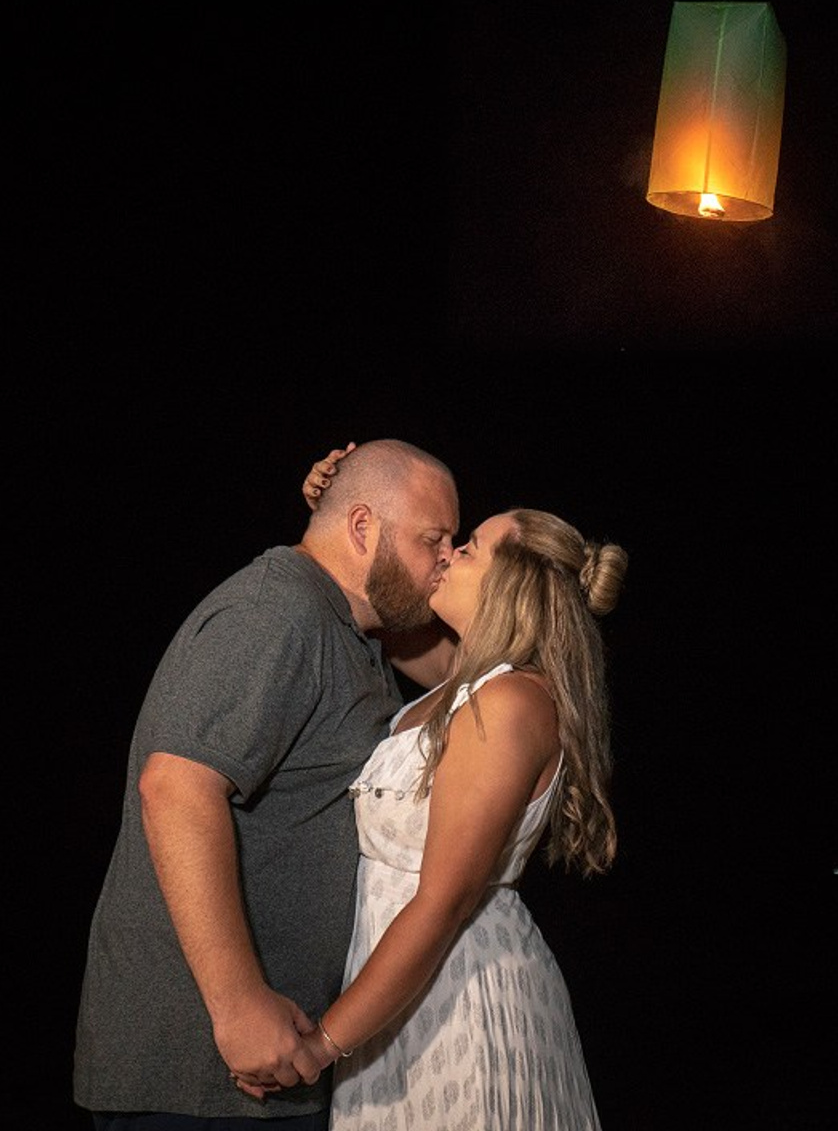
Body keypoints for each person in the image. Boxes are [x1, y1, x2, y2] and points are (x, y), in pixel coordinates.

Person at [74, 439, 460, 1130]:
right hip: (202, 1071)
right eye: (435, 539)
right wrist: (237, 1001)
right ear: (363, 527)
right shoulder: (277, 612)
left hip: (268, 1068)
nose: (444, 559)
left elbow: (477, 668)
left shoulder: (356, 630)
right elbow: (177, 787)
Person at [249, 449, 627, 1129]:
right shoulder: (464, 678)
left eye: (471, 548)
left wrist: (324, 1043)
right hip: (399, 996)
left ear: (512, 586)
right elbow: (373, 599)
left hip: (458, 997)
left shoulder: (512, 702)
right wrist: (338, 520)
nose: (448, 555)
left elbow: (445, 900)